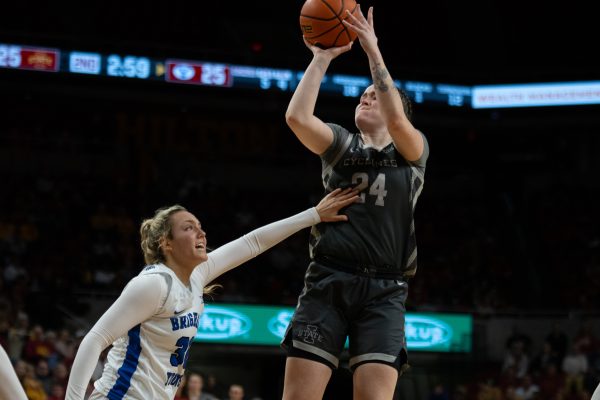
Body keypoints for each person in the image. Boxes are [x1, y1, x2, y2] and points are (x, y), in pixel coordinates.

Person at [65, 188, 359, 400]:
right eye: (189, 228)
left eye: (201, 228)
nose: (201, 234)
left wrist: (314, 215)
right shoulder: (154, 285)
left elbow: (252, 243)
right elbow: (94, 340)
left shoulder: (195, 276)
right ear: (167, 243)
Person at [281, 4, 429, 400]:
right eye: (361, 96)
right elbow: (297, 118)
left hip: (385, 289)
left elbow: (398, 123)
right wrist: (321, 57)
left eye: (375, 96)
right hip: (328, 279)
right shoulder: (341, 144)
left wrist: (371, 49)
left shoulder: (412, 150)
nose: (366, 98)